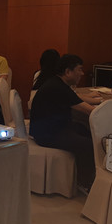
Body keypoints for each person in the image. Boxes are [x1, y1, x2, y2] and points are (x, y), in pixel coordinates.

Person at [30, 54, 96, 192]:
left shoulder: (58, 83)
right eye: (79, 69)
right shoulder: (58, 87)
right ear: (68, 72)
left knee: (84, 129)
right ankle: (85, 183)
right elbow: (90, 111)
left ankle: (88, 176)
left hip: (53, 127)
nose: (82, 73)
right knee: (88, 145)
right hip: (47, 134)